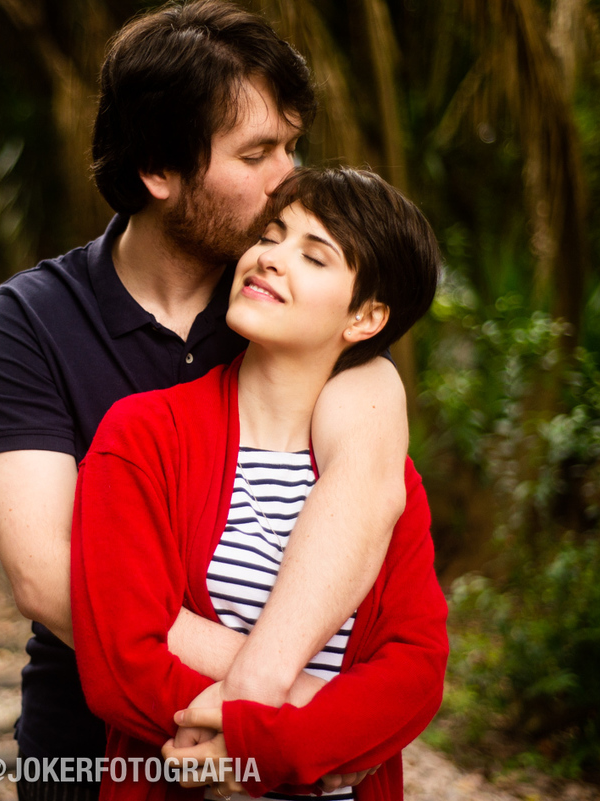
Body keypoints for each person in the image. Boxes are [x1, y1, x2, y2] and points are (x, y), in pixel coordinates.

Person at [0, 3, 410, 799]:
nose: (288, 177)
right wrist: (299, 702)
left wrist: (277, 722)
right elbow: (45, 576)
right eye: (258, 153)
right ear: (159, 171)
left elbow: (369, 490)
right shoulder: (32, 318)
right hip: (92, 749)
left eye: (292, 146)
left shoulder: (284, 311)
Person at [70, 166, 449, 801]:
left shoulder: (385, 477)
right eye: (270, 236)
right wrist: (310, 733)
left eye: (313, 255)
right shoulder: (143, 437)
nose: (270, 258)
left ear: (366, 317)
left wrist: (269, 747)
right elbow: (122, 660)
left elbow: (415, 669)